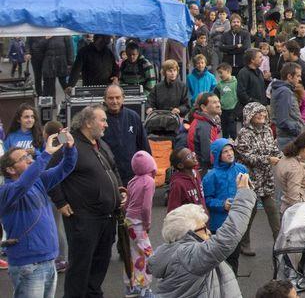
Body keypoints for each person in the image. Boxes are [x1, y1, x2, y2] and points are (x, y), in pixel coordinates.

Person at [49, 105, 122, 298]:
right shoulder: (68, 141)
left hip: (107, 218)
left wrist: (120, 190)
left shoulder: (100, 143)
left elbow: (113, 169)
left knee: (100, 265)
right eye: (102, 120)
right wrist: (60, 202)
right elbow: (48, 173)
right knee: (81, 267)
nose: (106, 124)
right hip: (83, 218)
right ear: (88, 122)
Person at [148, 172, 257, 298]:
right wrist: (243, 194)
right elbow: (228, 237)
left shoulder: (175, 253)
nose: (209, 232)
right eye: (203, 229)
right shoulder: (188, 256)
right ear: (188, 233)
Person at [0, 129, 76, 298]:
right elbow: (22, 184)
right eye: (23, 158)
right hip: (28, 264)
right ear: (11, 170)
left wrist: (70, 148)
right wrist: (46, 154)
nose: (30, 159)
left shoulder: (38, 181)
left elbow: (66, 167)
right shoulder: (5, 191)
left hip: (49, 260)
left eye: (29, 156)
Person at [235, 102, 283, 251]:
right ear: (249, 116)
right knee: (251, 210)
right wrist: (267, 159)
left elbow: (274, 149)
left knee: (272, 209)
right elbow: (246, 156)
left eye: (263, 112)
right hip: (250, 177)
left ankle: (280, 241)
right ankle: (244, 243)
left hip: (266, 176)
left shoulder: (268, 130)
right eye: (258, 113)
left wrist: (282, 158)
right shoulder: (244, 133)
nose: (262, 115)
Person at [202, 138, 249, 272]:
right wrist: (222, 204)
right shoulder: (211, 176)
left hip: (237, 221)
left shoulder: (241, 169)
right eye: (225, 152)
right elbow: (206, 199)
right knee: (220, 261)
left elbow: (248, 190)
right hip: (219, 224)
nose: (230, 154)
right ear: (217, 156)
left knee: (234, 257)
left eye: (230, 150)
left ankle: (233, 286)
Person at [100, 84, 151, 184]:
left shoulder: (133, 116)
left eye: (117, 97)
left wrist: (148, 169)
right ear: (105, 99)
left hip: (133, 174)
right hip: (109, 175)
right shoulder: (100, 119)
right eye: (110, 98)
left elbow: (143, 145)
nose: (114, 101)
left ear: (123, 98)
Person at [124, 150, 157, 296]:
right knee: (148, 255)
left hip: (129, 221)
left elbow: (127, 203)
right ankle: (145, 288)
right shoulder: (149, 182)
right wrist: (147, 223)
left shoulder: (133, 180)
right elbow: (146, 207)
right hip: (139, 223)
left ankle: (132, 286)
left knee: (133, 254)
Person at [271, 62, 304, 151]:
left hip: (287, 137)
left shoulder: (285, 90)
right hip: (288, 139)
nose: (300, 79)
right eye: (298, 76)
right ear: (289, 77)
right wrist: (297, 128)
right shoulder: (285, 92)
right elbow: (283, 120)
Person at [213, 63, 239, 139]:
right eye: (218, 73)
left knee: (233, 130)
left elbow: (239, 95)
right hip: (223, 110)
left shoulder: (236, 83)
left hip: (233, 110)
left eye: (221, 73)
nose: (220, 75)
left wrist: (237, 110)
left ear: (228, 71)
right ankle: (224, 145)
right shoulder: (219, 85)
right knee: (224, 130)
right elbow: (216, 97)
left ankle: (235, 146)